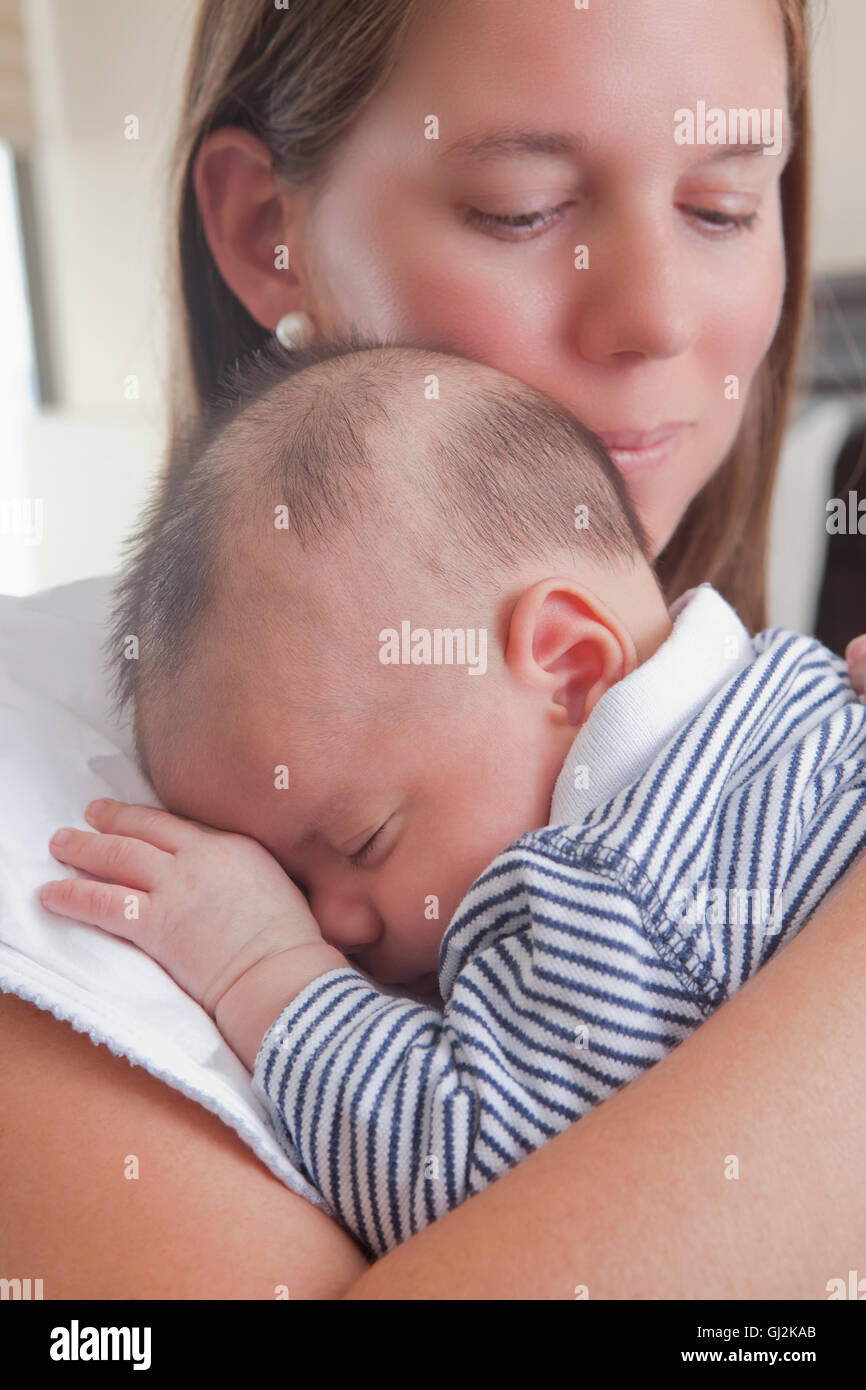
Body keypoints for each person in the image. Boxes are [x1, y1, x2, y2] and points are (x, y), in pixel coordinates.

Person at [3, 0, 866, 1299]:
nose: (655, 317)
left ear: (568, 667)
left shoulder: (645, 856)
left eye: (724, 206)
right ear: (262, 226)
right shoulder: (57, 780)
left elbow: (461, 1144)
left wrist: (270, 971)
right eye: (523, 210)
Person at [40, 340, 866, 1265]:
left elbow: (468, 1179)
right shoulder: (801, 689)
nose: (337, 925)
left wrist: (263, 966)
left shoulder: (614, 890)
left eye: (362, 842)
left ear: (569, 668)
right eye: (289, 885)